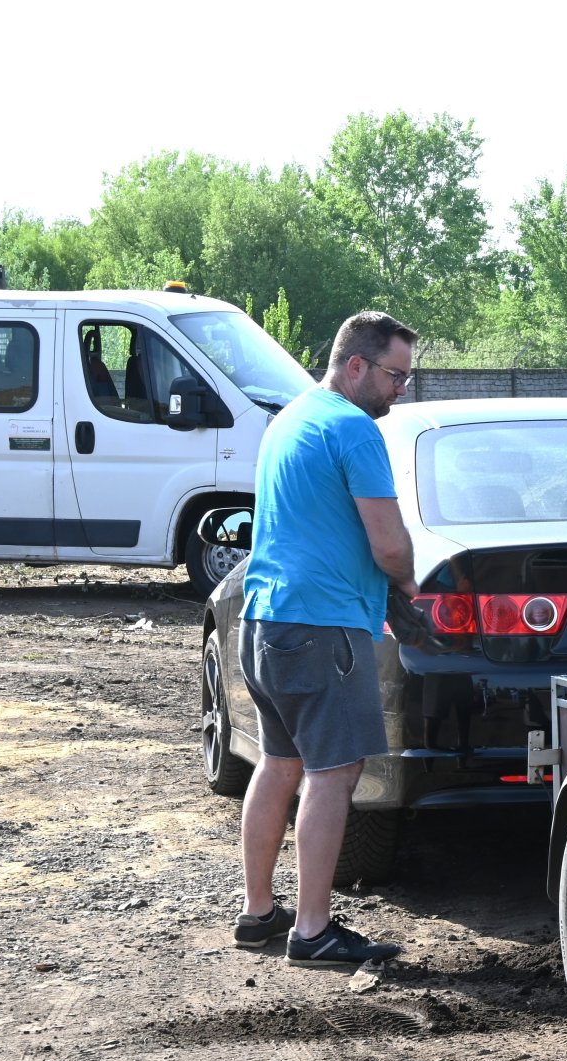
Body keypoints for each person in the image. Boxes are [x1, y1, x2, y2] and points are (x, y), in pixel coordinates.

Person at [230, 311, 419, 965]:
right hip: (322, 628)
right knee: (333, 775)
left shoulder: (290, 420)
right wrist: (412, 587)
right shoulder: (352, 428)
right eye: (396, 376)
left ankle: (259, 914)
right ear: (357, 366)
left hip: (266, 622)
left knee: (279, 765)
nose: (401, 390)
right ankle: (311, 931)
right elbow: (391, 545)